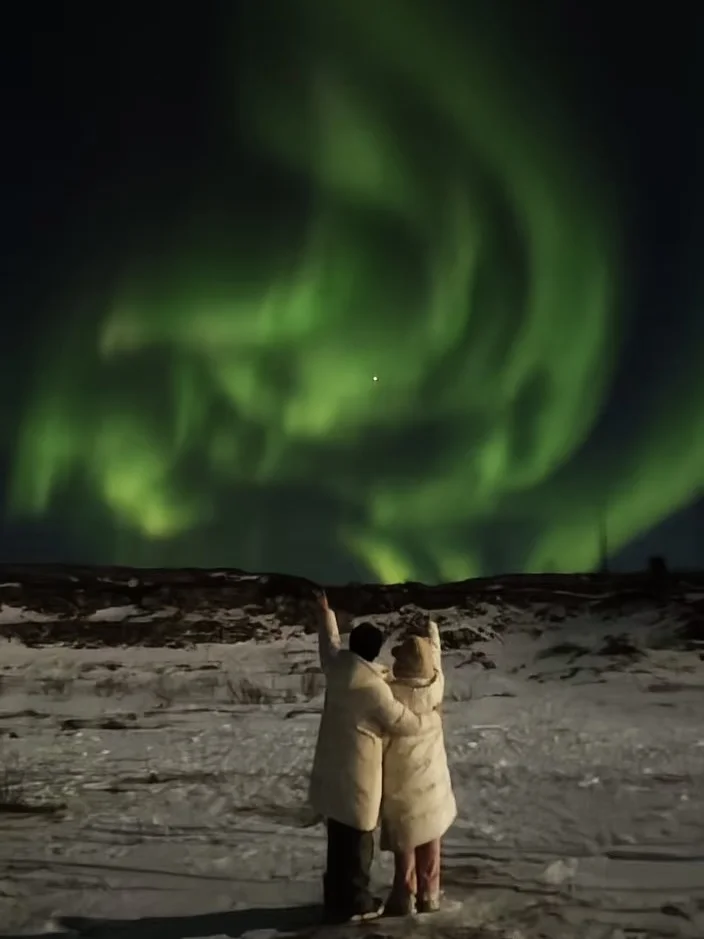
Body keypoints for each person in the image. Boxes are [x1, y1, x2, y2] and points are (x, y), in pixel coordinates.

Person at [308, 591, 441, 924]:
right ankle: (356, 903)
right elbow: (403, 721)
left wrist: (326, 614)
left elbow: (329, 644)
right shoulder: (372, 688)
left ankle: (336, 898)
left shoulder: (338, 666)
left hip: (331, 769)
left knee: (338, 840)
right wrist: (432, 719)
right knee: (358, 842)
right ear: (375, 651)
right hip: (358, 775)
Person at [380, 618, 457, 915]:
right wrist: (433, 632)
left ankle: (405, 894)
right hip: (433, 783)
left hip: (402, 785)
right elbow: (435, 659)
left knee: (406, 844)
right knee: (431, 841)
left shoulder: (390, 695)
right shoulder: (435, 689)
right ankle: (431, 894)